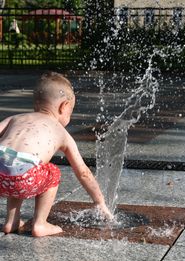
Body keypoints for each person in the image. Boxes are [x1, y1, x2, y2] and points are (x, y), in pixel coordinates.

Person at [0, 72, 113, 237]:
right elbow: (83, 172)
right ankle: (40, 224)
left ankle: (11, 222)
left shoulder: (16, 118)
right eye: (71, 111)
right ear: (64, 106)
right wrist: (100, 202)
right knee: (51, 172)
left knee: (13, 160)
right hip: (23, 177)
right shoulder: (62, 133)